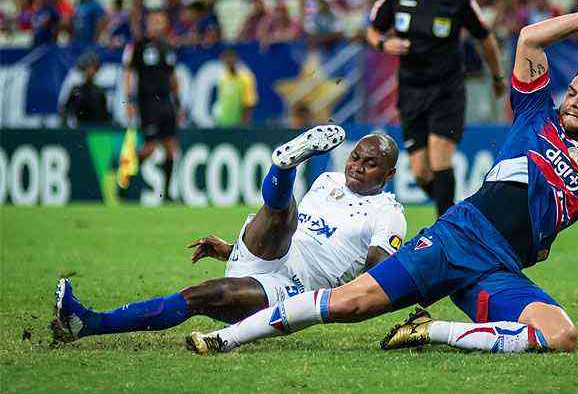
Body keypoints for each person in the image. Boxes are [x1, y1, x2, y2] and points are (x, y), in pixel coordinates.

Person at [187, 0, 578, 355]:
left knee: (561, 335)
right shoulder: (537, 117)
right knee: (350, 304)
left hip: (501, 269)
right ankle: (225, 337)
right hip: (456, 238)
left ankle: (430, 331)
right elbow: (530, 38)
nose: (573, 102)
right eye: (572, 92)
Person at [50, 128, 406, 343]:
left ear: (387, 174)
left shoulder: (388, 213)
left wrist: (333, 303)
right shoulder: (328, 181)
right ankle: (285, 165)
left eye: (369, 163)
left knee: (200, 297)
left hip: (293, 290)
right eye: (355, 157)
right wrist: (229, 249)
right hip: (265, 252)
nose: (357, 166)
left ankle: (89, 323)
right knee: (284, 217)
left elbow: (381, 277)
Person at [366, 0, 506, 216]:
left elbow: (485, 37)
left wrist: (497, 76)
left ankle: (447, 235)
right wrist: (384, 44)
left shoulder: (457, 0)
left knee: (440, 155)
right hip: (411, 90)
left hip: (447, 91)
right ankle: (457, 218)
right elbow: (372, 30)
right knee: (419, 172)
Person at [122, 9, 181, 200]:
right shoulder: (139, 45)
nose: (159, 24)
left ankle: (167, 194)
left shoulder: (167, 46)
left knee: (171, 146)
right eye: (155, 21)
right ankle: (124, 179)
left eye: (162, 21)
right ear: (148, 23)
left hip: (166, 101)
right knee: (150, 147)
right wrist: (129, 101)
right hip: (148, 102)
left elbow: (172, 76)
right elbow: (129, 73)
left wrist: (178, 103)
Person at [61, 53, 110, 126]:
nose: (90, 71)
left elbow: (104, 115)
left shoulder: (99, 92)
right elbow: (66, 110)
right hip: (78, 127)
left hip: (95, 128)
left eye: (93, 68)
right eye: (87, 68)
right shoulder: (76, 89)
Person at [213, 48, 258, 127]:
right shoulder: (223, 78)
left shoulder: (245, 77)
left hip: (238, 125)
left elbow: (249, 103)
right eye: (226, 60)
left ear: (236, 59)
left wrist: (244, 125)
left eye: (231, 59)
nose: (229, 62)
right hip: (222, 123)